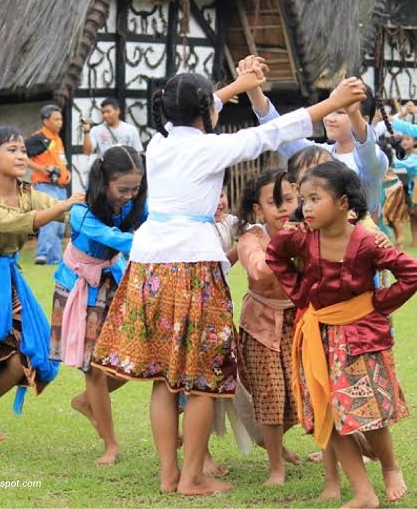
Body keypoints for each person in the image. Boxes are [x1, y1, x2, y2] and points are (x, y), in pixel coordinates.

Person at [91, 68, 367, 496]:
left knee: (165, 378)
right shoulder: (208, 148)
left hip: (147, 266)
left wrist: (238, 86)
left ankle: (169, 475)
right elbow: (273, 132)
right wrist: (333, 103)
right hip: (192, 266)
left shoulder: (159, 142)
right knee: (203, 379)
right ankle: (192, 478)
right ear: (204, 110)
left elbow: (204, 106)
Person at [267, 161, 417, 507]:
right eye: (303, 199)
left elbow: (410, 274)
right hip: (318, 337)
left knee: (368, 411)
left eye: (315, 199)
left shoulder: (367, 242)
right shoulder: (302, 237)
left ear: (343, 203)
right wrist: (301, 293)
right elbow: (275, 255)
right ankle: (364, 493)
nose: (306, 207)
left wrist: (377, 303)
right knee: (330, 414)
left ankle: (390, 467)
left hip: (361, 338)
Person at [0, 126, 84, 458]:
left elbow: (64, 213)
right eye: (12, 150)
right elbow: (16, 222)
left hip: (6, 281)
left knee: (19, 361)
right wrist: (64, 205)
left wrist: (94, 209)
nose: (22, 156)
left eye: (23, 150)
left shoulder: (29, 193)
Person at [50, 145, 147, 466]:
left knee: (131, 359)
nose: (129, 196)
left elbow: (154, 220)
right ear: (104, 182)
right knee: (93, 368)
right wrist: (161, 240)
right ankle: (110, 445)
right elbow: (116, 239)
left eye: (135, 188)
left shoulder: (135, 205)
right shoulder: (82, 211)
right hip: (79, 287)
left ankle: (86, 401)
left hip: (112, 282)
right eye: (123, 189)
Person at [239, 56, 389, 219]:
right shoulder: (317, 155)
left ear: (364, 119)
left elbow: (366, 151)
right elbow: (280, 133)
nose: (330, 118)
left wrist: (353, 113)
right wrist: (253, 88)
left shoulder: (376, 160)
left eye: (340, 112)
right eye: (329, 110)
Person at [235, 168, 301, 486]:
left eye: (288, 199)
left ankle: (272, 441)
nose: (283, 208)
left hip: (299, 322)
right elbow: (258, 270)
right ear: (259, 210)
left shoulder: (308, 229)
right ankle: (276, 467)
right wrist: (288, 242)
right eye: (274, 203)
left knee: (301, 395)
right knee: (271, 396)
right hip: (260, 325)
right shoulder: (252, 238)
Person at [26, 104, 71, 265]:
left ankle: (54, 259)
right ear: (46, 121)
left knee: (59, 224)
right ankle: (42, 254)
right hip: (45, 185)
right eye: (56, 119)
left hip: (60, 186)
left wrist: (66, 173)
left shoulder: (57, 139)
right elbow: (22, 157)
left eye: (61, 119)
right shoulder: (38, 138)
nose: (60, 123)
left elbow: (61, 160)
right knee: (50, 219)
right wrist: (42, 169)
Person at [394, 134, 417, 246]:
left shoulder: (414, 156)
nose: (404, 142)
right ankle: (415, 240)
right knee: (412, 214)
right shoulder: (404, 156)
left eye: (408, 139)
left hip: (415, 186)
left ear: (415, 142)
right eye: (403, 139)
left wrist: (389, 160)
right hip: (409, 186)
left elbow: (404, 164)